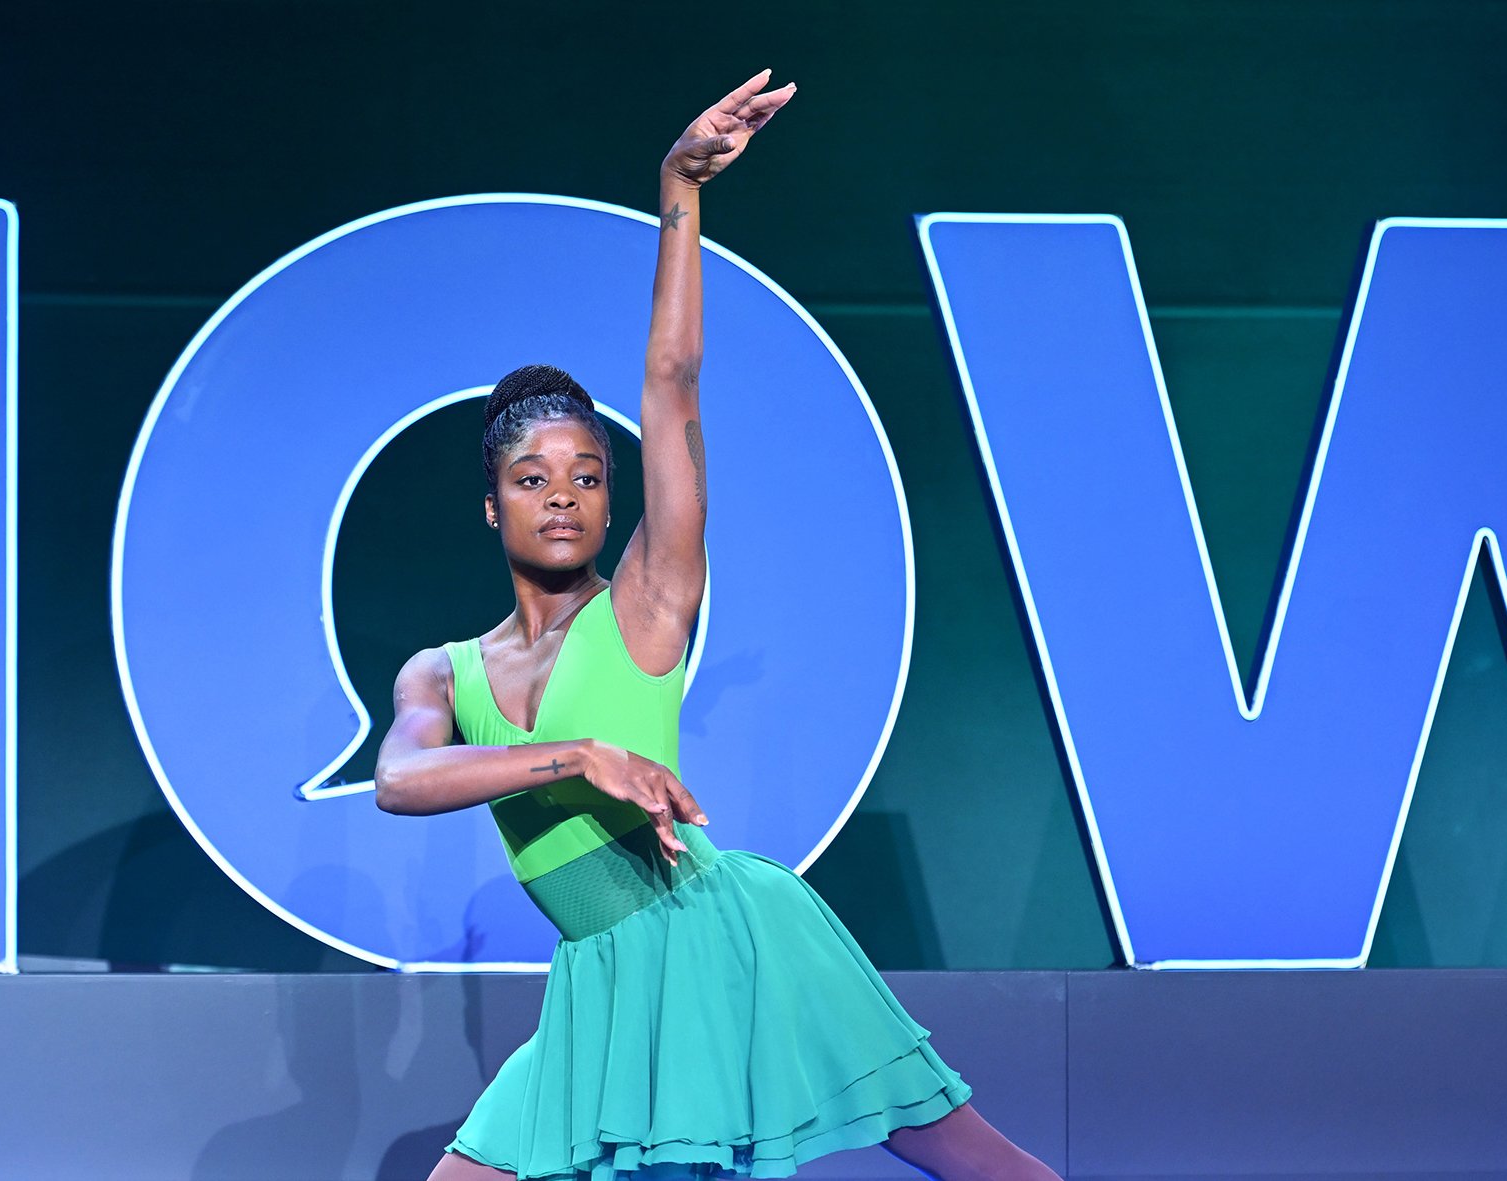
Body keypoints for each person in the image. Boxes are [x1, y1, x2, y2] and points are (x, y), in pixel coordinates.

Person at [374, 71, 1062, 1181]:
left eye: (589, 474)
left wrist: (679, 188)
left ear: (612, 496)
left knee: (973, 1157)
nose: (564, 494)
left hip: (713, 934)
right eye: (533, 475)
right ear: (490, 501)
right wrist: (578, 755)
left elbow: (673, 381)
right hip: (596, 983)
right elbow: (399, 781)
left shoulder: (648, 598)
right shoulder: (444, 671)